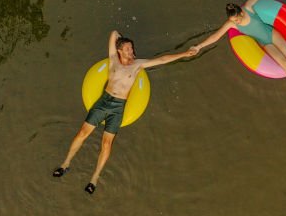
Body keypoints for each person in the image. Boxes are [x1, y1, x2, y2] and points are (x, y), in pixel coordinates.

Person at [54, 31, 193, 194]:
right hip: (103, 102)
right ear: (119, 50)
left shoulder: (138, 64)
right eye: (128, 48)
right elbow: (113, 34)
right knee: (82, 134)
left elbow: (162, 59)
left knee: (106, 144)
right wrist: (120, 38)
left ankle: (94, 178)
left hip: (118, 108)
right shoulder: (113, 59)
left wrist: (184, 53)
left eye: (132, 48)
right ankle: (65, 164)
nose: (131, 51)